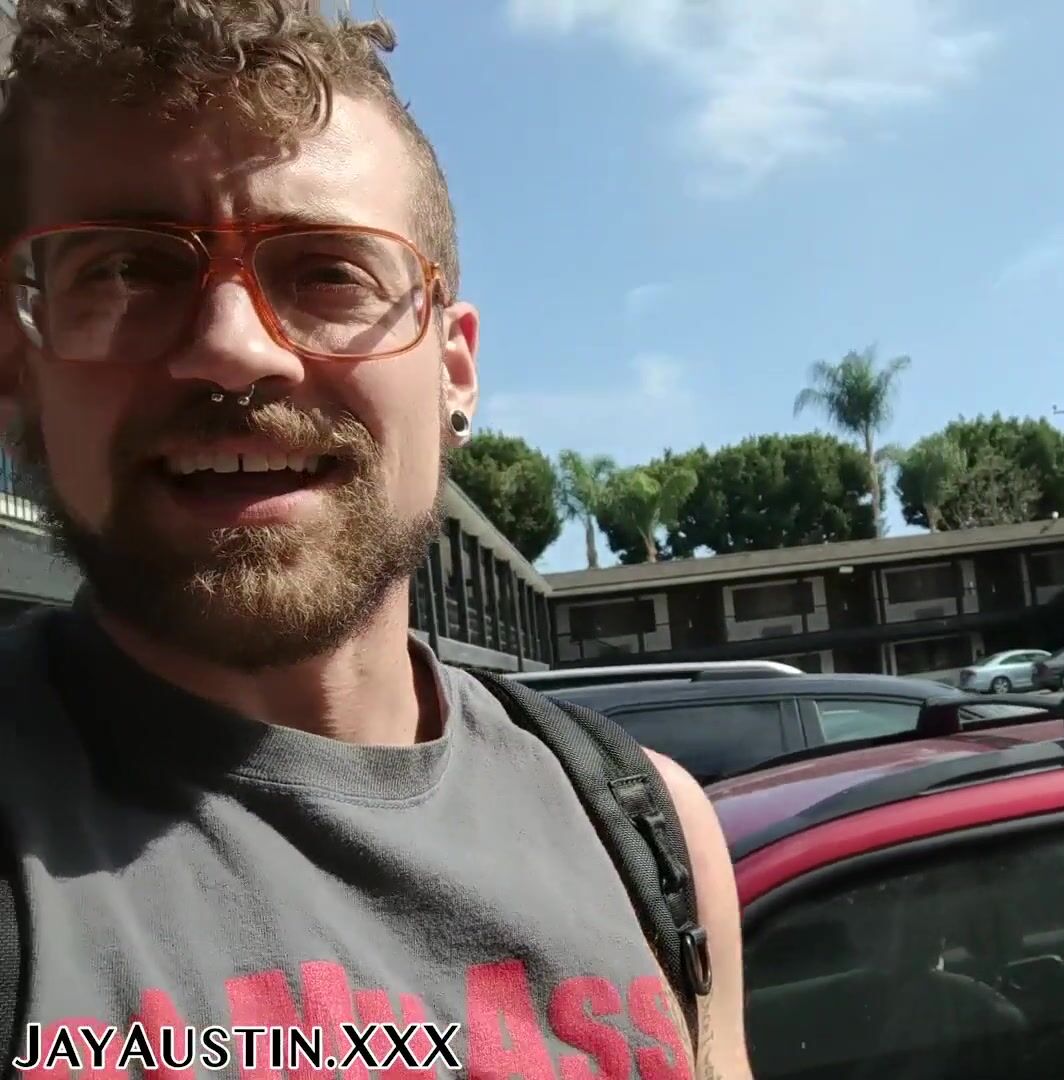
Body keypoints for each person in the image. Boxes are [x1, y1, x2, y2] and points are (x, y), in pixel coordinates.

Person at [0, 1, 752, 1077]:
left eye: (326, 272)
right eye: (123, 271)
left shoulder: (651, 831)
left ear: (454, 370)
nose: (233, 349)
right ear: (16, 370)